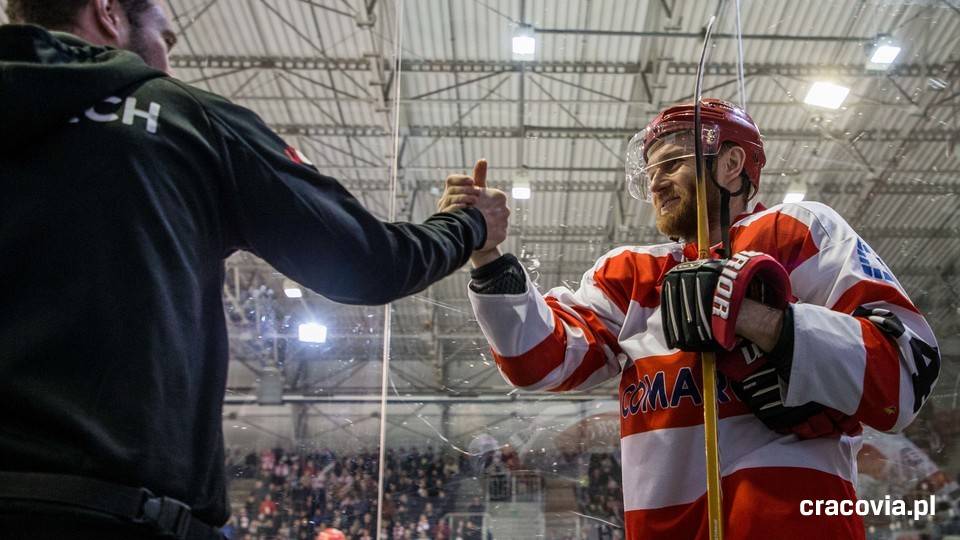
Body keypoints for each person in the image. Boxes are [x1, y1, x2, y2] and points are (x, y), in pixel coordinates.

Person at [0, 1, 508, 538]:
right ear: (108, 12)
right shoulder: (185, 118)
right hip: (116, 511)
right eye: (165, 41)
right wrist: (467, 224)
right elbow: (369, 263)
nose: (168, 63)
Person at [444, 98, 941, 539]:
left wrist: (760, 321)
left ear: (731, 164)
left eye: (672, 163)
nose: (655, 180)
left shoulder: (798, 231)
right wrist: (488, 257)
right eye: (651, 170)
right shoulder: (630, 274)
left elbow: (902, 376)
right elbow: (535, 361)